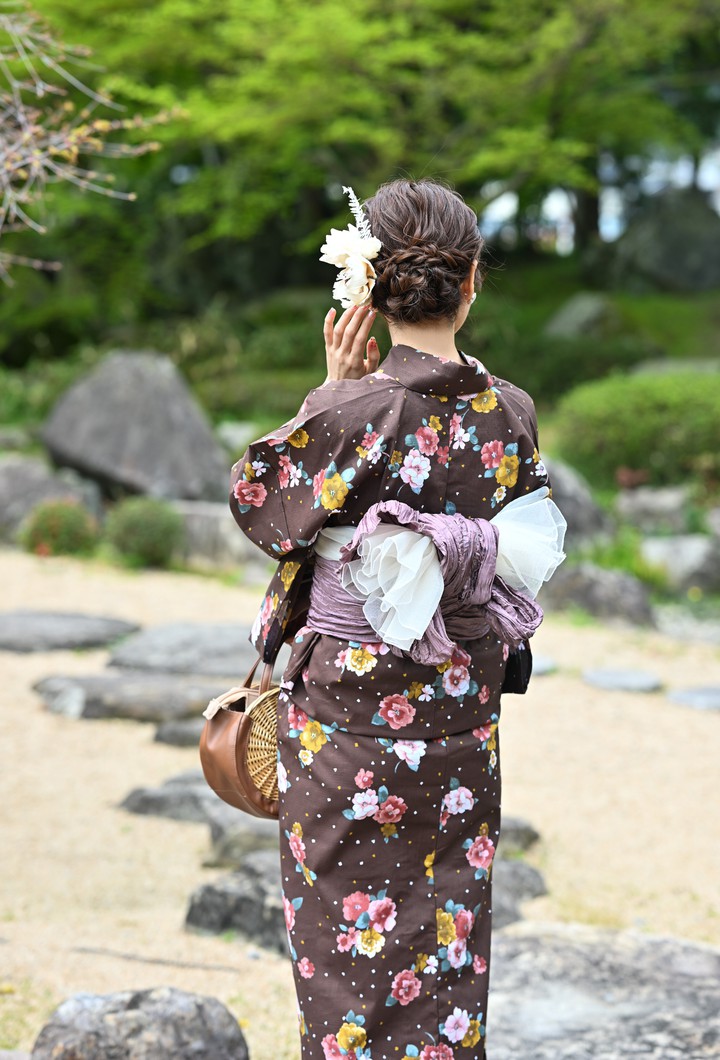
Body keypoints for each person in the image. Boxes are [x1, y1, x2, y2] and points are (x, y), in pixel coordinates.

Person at [229, 179, 565, 1060]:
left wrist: (326, 394)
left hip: (347, 728)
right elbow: (519, 545)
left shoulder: (350, 411)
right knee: (448, 950)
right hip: (460, 719)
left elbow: (263, 505)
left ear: (368, 288)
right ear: (473, 282)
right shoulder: (512, 412)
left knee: (346, 950)